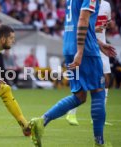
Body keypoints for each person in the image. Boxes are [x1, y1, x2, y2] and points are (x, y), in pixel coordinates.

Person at [28, 0, 116, 147]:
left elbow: (77, 20)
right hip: (85, 50)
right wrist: (81, 51)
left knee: (80, 96)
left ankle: (42, 121)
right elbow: (83, 18)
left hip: (69, 48)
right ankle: (99, 142)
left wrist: (99, 44)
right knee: (99, 91)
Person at [66, 0, 113, 126]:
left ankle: (98, 117)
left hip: (100, 46)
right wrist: (93, 29)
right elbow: (83, 20)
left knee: (106, 80)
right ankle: (71, 113)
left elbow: (108, 23)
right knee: (86, 85)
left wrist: (106, 26)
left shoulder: (106, 5)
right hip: (89, 47)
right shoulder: (86, 2)